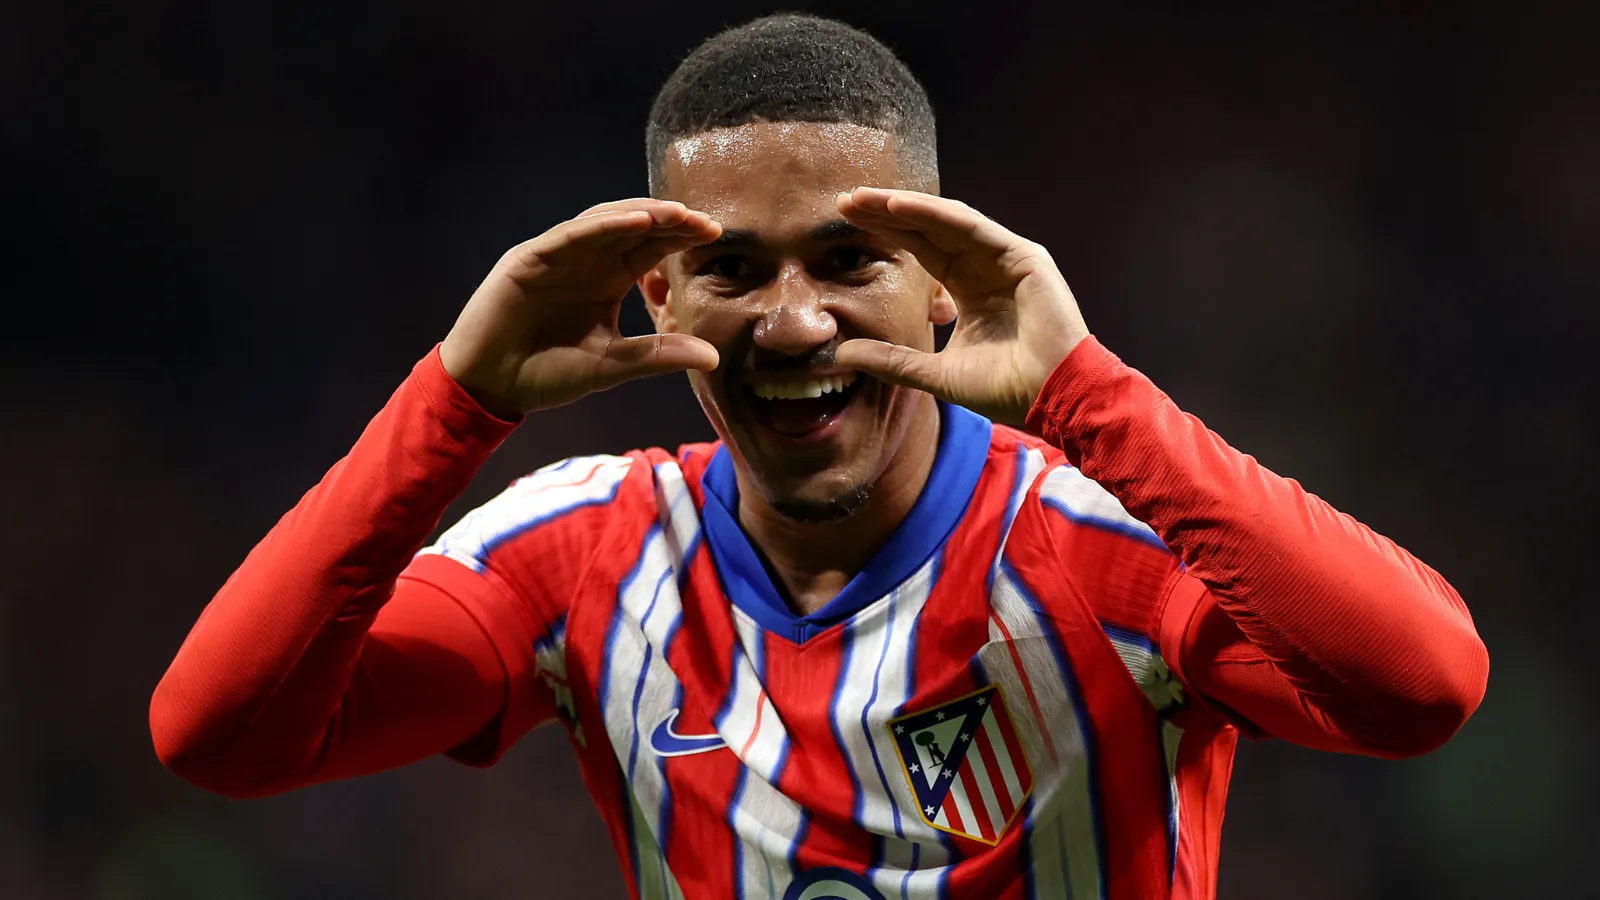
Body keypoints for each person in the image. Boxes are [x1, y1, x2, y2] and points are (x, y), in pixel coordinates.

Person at [149, 13, 1488, 900]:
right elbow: (218, 738)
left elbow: (1422, 689)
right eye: (734, 269)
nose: (793, 322)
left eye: (848, 260)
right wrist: (456, 400)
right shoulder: (576, 552)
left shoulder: (1106, 541)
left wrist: (1086, 392)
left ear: (942, 283)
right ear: (660, 295)